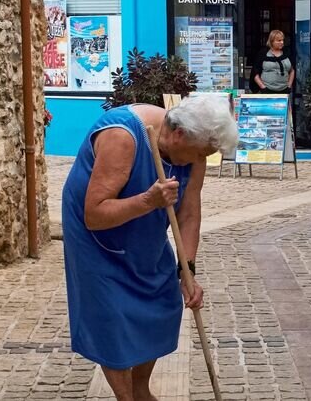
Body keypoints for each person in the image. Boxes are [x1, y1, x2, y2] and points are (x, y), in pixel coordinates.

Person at [62, 96, 238, 401]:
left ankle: (140, 387)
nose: (202, 159)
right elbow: (95, 213)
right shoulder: (124, 137)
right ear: (180, 135)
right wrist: (148, 201)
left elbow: (189, 211)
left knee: (162, 303)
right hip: (95, 235)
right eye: (201, 153)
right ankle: (126, 397)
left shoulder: (193, 153)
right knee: (111, 314)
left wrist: (188, 270)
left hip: (145, 222)